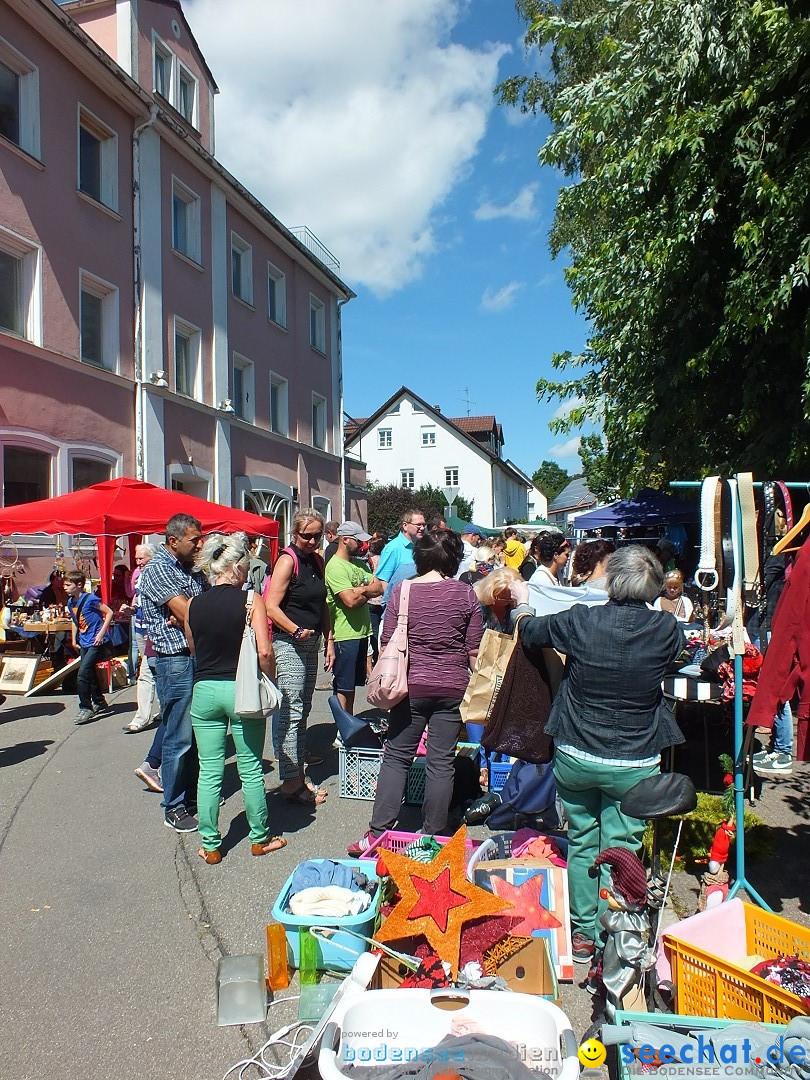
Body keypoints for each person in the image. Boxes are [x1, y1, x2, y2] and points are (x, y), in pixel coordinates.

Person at [509, 545, 685, 965]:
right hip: (636, 758)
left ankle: (584, 934)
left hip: (578, 751)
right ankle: (613, 937)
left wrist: (521, 608)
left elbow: (530, 634)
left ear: (610, 580)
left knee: (584, 842)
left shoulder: (582, 620)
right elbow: (676, 656)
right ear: (653, 586)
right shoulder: (666, 628)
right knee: (622, 848)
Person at [348, 530, 483, 853]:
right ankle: (433, 834)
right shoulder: (466, 595)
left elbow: (387, 641)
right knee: (441, 761)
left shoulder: (402, 591)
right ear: (453, 559)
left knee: (396, 757)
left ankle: (378, 832)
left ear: (419, 557)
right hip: (452, 685)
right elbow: (475, 651)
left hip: (410, 685)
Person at [186, 533, 286, 864]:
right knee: (250, 767)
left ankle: (211, 845)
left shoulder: (193, 604)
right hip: (241, 688)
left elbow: (193, 648)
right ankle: (260, 838)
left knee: (210, 771)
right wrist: (269, 678)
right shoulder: (250, 600)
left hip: (205, 690)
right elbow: (264, 650)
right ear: (237, 566)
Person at [136, 513, 206, 833]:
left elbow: (203, 607)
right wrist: (190, 612)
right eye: (195, 539)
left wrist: (192, 612)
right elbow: (192, 610)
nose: (200, 544)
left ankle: (189, 797)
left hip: (193, 654)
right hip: (173, 660)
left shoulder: (189, 568)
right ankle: (174, 806)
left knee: (192, 733)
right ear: (174, 540)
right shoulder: (158, 569)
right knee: (177, 735)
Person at [263, 508, 332, 806]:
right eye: (307, 536)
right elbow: (270, 605)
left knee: (301, 711)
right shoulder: (287, 560)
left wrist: (328, 639)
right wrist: (294, 630)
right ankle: (291, 782)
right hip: (288, 643)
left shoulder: (317, 560)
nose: (313, 540)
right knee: (291, 712)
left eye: (317, 535)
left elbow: (323, 604)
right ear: (294, 534)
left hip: (311, 641)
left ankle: (297, 774)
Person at [324, 522, 383, 714]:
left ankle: (348, 724)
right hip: (344, 634)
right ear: (345, 540)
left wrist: (362, 590)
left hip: (360, 632)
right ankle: (343, 728)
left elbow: (379, 587)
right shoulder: (335, 567)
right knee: (343, 686)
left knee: (351, 686)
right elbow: (349, 600)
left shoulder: (357, 564)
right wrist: (364, 592)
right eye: (358, 541)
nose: (362, 545)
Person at [64, 571, 114, 725]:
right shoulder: (71, 602)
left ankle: (85, 707)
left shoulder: (91, 599)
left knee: (83, 674)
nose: (65, 587)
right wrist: (74, 638)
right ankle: (99, 701)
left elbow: (109, 612)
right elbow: (75, 621)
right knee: (90, 672)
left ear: (79, 585)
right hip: (84, 641)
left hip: (95, 642)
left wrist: (101, 634)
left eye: (68, 585)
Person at [124, 544, 162, 735]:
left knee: (148, 672)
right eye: (137, 559)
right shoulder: (139, 575)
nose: (138, 563)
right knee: (150, 670)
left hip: (153, 630)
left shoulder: (158, 575)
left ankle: (141, 718)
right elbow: (137, 599)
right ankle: (160, 710)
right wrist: (130, 610)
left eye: (142, 558)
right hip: (139, 626)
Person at [374, 510, 426, 601]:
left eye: (424, 525)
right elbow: (383, 582)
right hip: (399, 607)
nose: (422, 528)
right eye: (418, 525)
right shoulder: (393, 548)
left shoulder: (422, 546)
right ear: (405, 526)